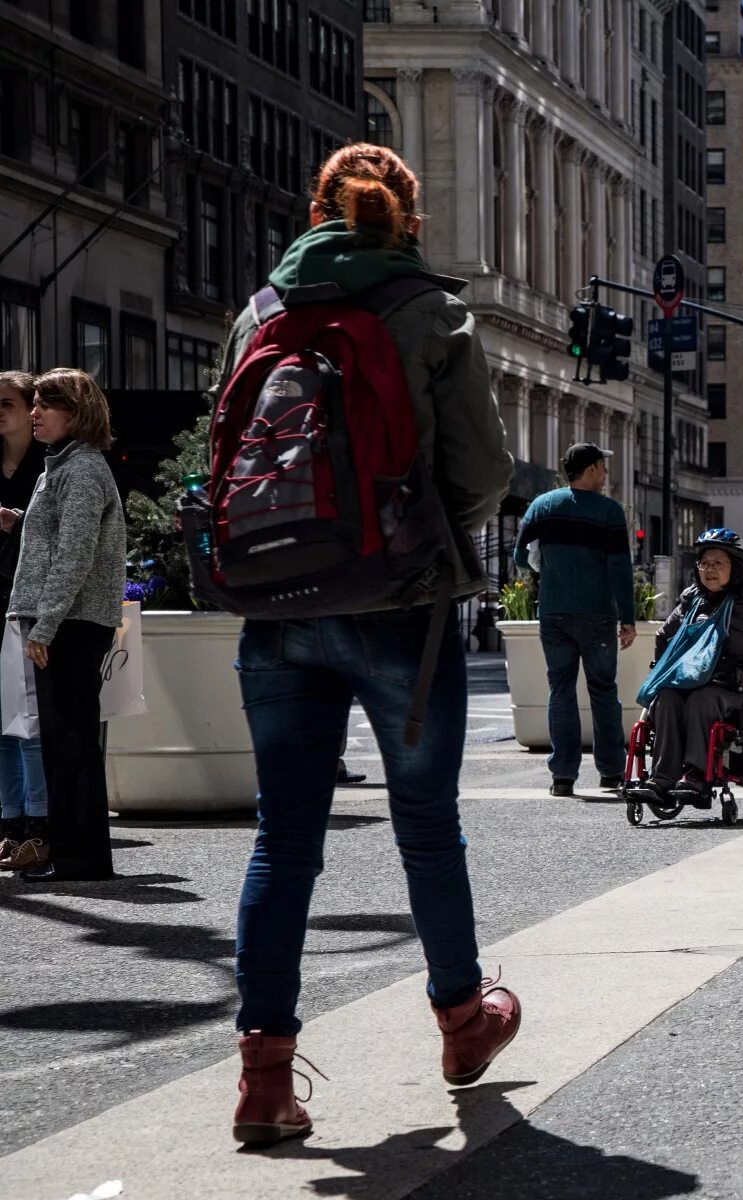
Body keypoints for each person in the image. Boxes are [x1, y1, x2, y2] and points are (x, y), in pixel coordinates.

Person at [219, 144, 519, 1145]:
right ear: (410, 216)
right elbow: (481, 467)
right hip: (401, 602)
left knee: (283, 838)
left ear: (317, 210)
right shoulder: (432, 311)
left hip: (279, 603)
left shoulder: (259, 315)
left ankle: (264, 1079)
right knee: (426, 827)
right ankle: (462, 1019)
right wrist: (432, 536)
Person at [4, 369, 124, 882]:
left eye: (44, 406)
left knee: (70, 742)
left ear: (74, 414)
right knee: (62, 741)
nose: (34, 414)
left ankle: (81, 858)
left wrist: (45, 626)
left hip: (70, 622)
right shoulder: (61, 468)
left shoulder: (82, 470)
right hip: (62, 619)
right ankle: (72, 853)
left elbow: (74, 557)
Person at [512, 442, 637, 797]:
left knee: (561, 690)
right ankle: (611, 772)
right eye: (603, 466)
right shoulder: (610, 512)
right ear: (593, 468)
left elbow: (520, 556)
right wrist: (627, 618)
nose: (606, 473)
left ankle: (562, 777)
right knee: (602, 690)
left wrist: (546, 569)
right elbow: (619, 569)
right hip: (597, 615)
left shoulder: (541, 506)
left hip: (553, 613)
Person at [632, 528, 743, 801]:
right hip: (687, 681)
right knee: (666, 699)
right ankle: (662, 779)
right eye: (704, 563)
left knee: (701, 700)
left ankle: (697, 777)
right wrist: (662, 667)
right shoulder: (690, 601)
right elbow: (664, 636)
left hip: (735, 688)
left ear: (736, 567)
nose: (710, 570)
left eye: (718, 563)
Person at [0, 371, 48, 873]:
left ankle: (37, 828)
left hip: (27, 602)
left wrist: (15, 517)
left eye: (8, 402)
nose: (1, 412)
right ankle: (10, 826)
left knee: (27, 721)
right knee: (0, 722)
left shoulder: (47, 463)